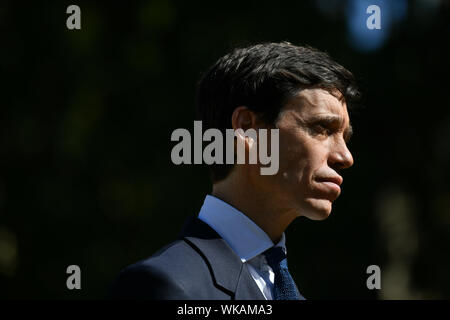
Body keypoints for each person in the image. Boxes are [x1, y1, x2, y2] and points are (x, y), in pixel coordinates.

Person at [109, 42, 360, 300]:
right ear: (247, 128)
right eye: (322, 128)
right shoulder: (161, 286)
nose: (345, 156)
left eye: (345, 137)